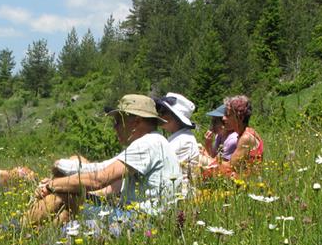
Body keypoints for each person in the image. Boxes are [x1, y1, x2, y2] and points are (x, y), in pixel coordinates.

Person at [28, 94, 182, 225]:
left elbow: (99, 179)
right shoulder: (154, 141)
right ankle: (41, 235)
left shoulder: (148, 143)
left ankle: (17, 230)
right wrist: (61, 171)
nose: (115, 127)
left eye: (118, 121)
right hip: (143, 218)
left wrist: (52, 185)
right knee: (67, 194)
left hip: (140, 221)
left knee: (64, 195)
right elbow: (102, 168)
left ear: (136, 122)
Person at [204, 95, 263, 178]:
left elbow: (229, 168)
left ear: (239, 117)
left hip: (247, 184)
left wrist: (205, 159)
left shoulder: (245, 138)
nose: (224, 119)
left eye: (228, 115)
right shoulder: (246, 133)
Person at [155, 93, 200, 180]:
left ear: (175, 116)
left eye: (163, 111)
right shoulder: (179, 137)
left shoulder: (184, 141)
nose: (159, 114)